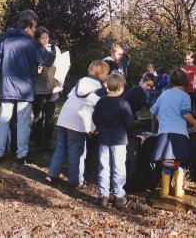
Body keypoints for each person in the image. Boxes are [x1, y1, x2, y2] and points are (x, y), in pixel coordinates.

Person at [0, 10, 55, 164]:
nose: (35, 30)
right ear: (30, 25)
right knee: (23, 123)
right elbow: (47, 61)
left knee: (3, 121)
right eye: (35, 27)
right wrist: (51, 51)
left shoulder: (5, 40)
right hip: (25, 89)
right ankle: (21, 155)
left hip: (6, 86)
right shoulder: (32, 44)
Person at [46, 60, 109, 187]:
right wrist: (94, 127)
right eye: (107, 73)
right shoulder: (100, 89)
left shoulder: (81, 81)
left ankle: (51, 175)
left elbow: (72, 98)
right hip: (78, 122)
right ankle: (76, 181)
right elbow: (99, 108)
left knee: (61, 148)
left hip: (64, 118)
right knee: (77, 152)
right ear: (101, 74)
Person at [150, 68, 196, 198]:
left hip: (164, 134)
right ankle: (178, 190)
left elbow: (153, 111)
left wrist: (154, 125)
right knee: (178, 163)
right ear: (185, 82)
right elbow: (185, 114)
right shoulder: (185, 96)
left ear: (171, 81)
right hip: (180, 135)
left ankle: (164, 191)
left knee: (166, 162)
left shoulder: (163, 94)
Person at [92, 74, 135, 208]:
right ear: (121, 87)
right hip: (119, 139)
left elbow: (95, 118)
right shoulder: (123, 103)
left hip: (104, 138)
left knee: (104, 166)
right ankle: (118, 195)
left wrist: (100, 127)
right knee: (119, 167)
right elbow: (130, 122)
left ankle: (103, 195)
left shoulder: (101, 101)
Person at [32, 27, 61, 152]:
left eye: (46, 38)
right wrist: (36, 71)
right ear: (37, 38)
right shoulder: (34, 50)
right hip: (38, 89)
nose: (44, 40)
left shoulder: (55, 49)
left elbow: (61, 65)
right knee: (38, 116)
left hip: (53, 89)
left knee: (50, 117)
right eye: (42, 38)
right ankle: (37, 141)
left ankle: (47, 143)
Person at [181, 51, 196, 115]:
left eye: (188, 59)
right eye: (185, 59)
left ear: (192, 59)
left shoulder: (195, 68)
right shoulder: (182, 69)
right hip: (186, 92)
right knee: (189, 110)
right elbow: (179, 79)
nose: (187, 61)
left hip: (195, 91)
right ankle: (190, 123)